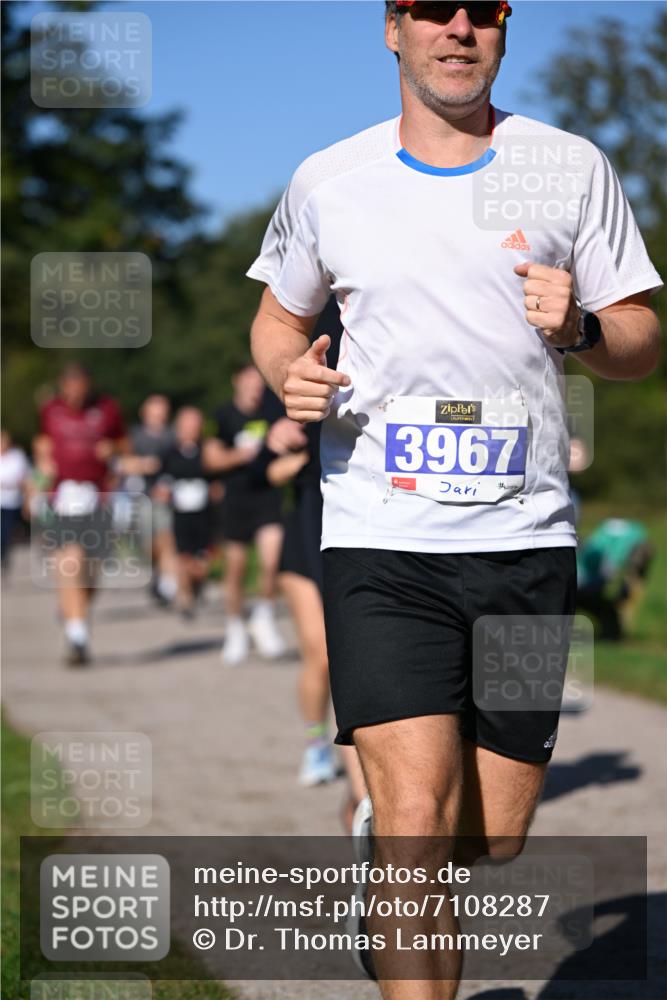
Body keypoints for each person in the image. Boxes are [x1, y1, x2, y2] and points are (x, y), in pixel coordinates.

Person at [246, 1, 662, 993]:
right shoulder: (331, 179)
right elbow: (275, 317)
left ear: (505, 28)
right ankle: (391, 861)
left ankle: (387, 866)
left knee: (494, 835)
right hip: (377, 539)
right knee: (415, 825)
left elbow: (640, 340)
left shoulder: (565, 166)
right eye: (434, 10)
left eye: (480, 10)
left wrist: (582, 333)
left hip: (524, 541)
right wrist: (286, 375)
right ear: (394, 28)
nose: (457, 27)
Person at [259, 299, 368, 811]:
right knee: (322, 654)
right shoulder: (303, 326)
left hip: (373, 519)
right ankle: (314, 745)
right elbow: (267, 462)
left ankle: (365, 788)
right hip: (309, 521)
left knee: (356, 658)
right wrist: (282, 435)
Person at [34, 363, 127, 666]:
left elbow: (125, 444)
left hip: (98, 497)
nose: (75, 392)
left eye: (80, 386)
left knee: (92, 571)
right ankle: (77, 635)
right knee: (69, 562)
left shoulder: (108, 409)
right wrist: (42, 467)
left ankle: (74, 610)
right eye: (69, 386)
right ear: (62, 386)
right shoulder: (51, 410)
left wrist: (112, 449)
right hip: (63, 497)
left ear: (87, 385)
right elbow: (42, 442)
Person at [216, 362, 286, 665]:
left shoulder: (272, 413)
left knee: (271, 561)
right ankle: (235, 627)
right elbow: (211, 457)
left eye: (259, 382)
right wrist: (235, 456)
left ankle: (264, 616)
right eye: (249, 380)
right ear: (237, 382)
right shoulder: (224, 415)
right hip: (236, 498)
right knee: (236, 569)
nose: (255, 387)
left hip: (267, 494)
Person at [120, 394, 179, 607]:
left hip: (164, 498)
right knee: (149, 545)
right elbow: (121, 463)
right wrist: (143, 465)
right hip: (138, 498)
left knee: (167, 538)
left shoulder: (173, 436)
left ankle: (168, 585)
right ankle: (159, 573)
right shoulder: (134, 436)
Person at [0, 429, 30, 571]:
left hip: (11, 501)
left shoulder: (17, 456)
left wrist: (27, 501)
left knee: (5, 532)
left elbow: (25, 479)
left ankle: (4, 556)